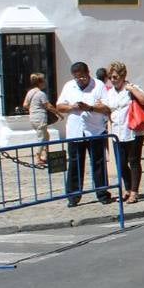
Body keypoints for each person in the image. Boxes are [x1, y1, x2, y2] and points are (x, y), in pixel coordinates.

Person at [55, 62, 112, 205]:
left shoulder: (98, 85)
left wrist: (90, 108)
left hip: (95, 131)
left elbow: (106, 107)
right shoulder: (69, 86)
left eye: (83, 77)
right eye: (77, 78)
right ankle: (73, 196)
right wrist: (71, 107)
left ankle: (102, 193)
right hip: (75, 132)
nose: (80, 80)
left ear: (88, 73)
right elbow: (59, 106)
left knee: (98, 163)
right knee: (75, 164)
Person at [104, 62, 144, 203]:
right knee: (121, 163)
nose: (113, 80)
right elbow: (108, 109)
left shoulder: (132, 88)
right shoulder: (110, 93)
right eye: (110, 77)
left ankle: (134, 191)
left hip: (133, 131)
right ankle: (128, 188)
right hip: (117, 132)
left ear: (123, 75)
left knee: (134, 161)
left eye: (115, 77)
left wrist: (131, 89)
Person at [24, 73, 59, 165]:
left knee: (46, 136)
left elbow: (25, 105)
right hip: (40, 117)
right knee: (42, 137)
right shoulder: (41, 94)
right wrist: (58, 113)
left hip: (33, 117)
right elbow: (48, 106)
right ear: (40, 82)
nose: (45, 83)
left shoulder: (30, 92)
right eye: (44, 81)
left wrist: (33, 109)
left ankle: (45, 155)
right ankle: (38, 157)